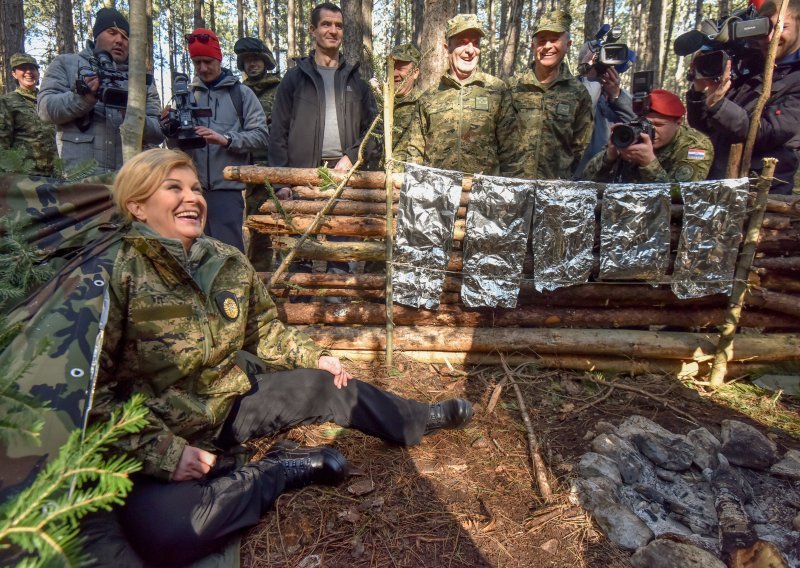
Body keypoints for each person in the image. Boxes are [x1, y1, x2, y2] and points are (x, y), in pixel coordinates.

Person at [79, 148, 473, 566]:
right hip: (157, 434)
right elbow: (91, 400)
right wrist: (166, 454)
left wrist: (314, 355)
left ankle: (414, 419)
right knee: (175, 533)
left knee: (327, 385)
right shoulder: (114, 274)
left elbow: (263, 330)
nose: (192, 198)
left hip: (225, 405)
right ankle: (277, 471)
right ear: (136, 205)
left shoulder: (226, 260)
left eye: (196, 188)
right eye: (173, 188)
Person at [162, 28, 269, 253]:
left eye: (208, 61)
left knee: (229, 255)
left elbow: (261, 136)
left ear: (219, 59)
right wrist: (170, 131)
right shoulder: (186, 96)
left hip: (227, 191)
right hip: (192, 191)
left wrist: (226, 139)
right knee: (193, 254)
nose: (203, 68)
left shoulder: (241, 94)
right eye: (197, 62)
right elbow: (176, 147)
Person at [686, 0, 800, 194]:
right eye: (764, 29)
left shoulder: (796, 78)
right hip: (720, 184)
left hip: (762, 193)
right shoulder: (750, 68)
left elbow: (767, 132)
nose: (770, 37)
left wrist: (720, 106)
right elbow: (706, 125)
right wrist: (700, 91)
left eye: (782, 27)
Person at [37, 7, 164, 173]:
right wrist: (83, 99)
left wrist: (134, 116)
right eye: (112, 33)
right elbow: (45, 110)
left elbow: (158, 132)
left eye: (126, 37)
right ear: (96, 36)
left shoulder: (141, 79)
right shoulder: (66, 64)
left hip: (128, 179)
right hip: (80, 180)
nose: (120, 40)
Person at [405, 14, 522, 176]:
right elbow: (415, 152)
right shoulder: (429, 97)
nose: (470, 51)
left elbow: (512, 151)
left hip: (485, 194)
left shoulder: (497, 91)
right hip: (439, 194)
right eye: (462, 43)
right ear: (447, 49)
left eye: (475, 43)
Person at [269, 2, 378, 173]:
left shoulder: (357, 81)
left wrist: (353, 156)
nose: (333, 31)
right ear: (313, 30)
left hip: (347, 175)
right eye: (326, 24)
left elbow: (375, 129)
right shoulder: (294, 78)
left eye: (339, 26)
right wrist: (280, 182)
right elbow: (278, 133)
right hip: (301, 176)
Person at [507, 10, 594, 180]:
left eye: (554, 40)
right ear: (533, 46)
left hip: (554, 192)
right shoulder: (513, 87)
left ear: (568, 45)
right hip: (513, 188)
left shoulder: (578, 93)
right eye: (541, 41)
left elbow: (579, 148)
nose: (547, 46)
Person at [582, 88, 714, 183]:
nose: (650, 130)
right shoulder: (633, 133)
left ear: (678, 122)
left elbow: (680, 199)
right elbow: (585, 181)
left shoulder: (695, 146)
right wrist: (609, 157)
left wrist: (649, 163)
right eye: (645, 123)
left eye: (658, 124)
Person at [235, 36, 281, 271]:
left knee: (285, 221)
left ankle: (288, 276)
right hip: (250, 166)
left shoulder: (281, 88)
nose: (252, 65)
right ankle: (260, 275)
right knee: (257, 224)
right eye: (247, 61)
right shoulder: (238, 92)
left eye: (256, 60)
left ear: (266, 61)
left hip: (280, 166)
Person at [573, 40, 637, 179]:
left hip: (609, 179)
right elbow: (578, 111)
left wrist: (616, 95)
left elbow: (636, 123)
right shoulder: (572, 89)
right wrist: (589, 77)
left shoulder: (620, 96)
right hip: (576, 177)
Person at [0, 53, 57, 176]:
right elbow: (2, 143)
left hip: (55, 174)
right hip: (25, 176)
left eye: (32, 68)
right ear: (14, 74)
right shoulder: (7, 102)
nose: (28, 72)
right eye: (23, 68)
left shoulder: (48, 100)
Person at [390, 43, 422, 162]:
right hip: (373, 176)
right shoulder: (378, 103)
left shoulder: (423, 105)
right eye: (391, 67)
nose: (394, 74)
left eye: (401, 68)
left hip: (405, 177)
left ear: (415, 73)